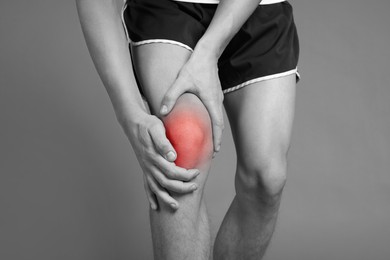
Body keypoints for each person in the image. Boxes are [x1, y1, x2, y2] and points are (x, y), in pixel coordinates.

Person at [76, 0, 299, 259]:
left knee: (267, 179)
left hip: (256, 9)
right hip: (168, 7)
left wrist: (209, 52)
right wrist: (130, 114)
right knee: (183, 142)